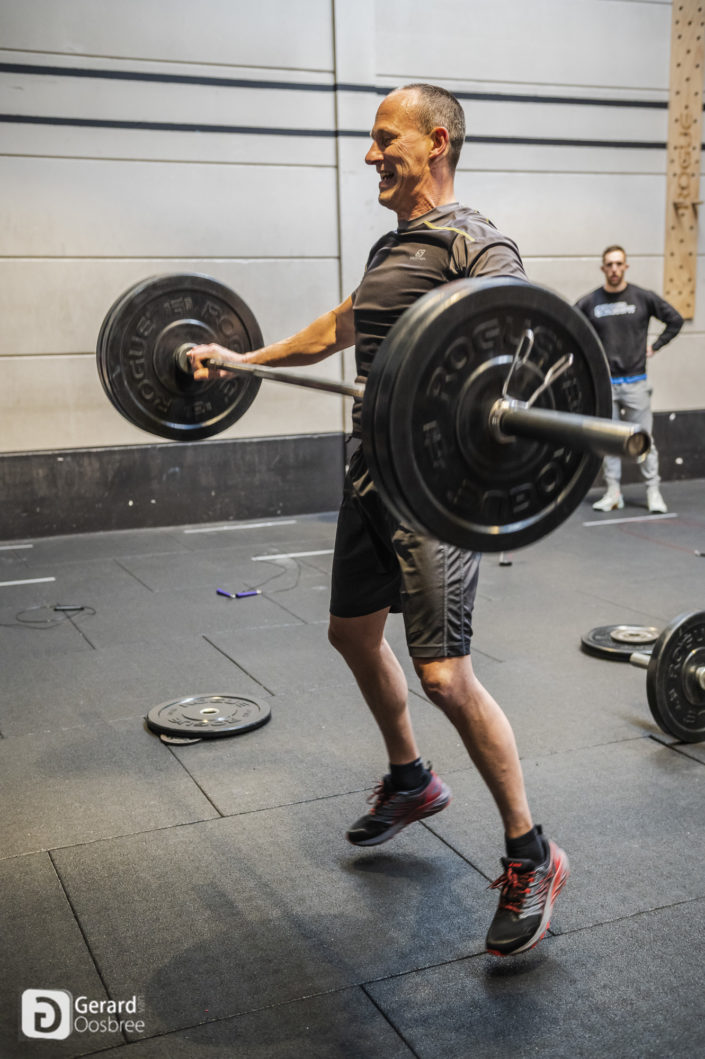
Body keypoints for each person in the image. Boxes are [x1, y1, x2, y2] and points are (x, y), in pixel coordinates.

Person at [189, 83, 569, 957]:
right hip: (369, 472)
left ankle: (531, 852)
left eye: (382, 138)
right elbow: (341, 325)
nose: (369, 155)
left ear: (435, 141)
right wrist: (244, 360)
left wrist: (461, 403)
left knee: (445, 677)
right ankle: (411, 779)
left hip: (434, 491)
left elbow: (519, 343)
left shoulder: (476, 243)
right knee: (352, 633)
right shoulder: (391, 247)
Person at [575, 246, 683, 513]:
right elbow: (571, 327)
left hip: (636, 382)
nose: (614, 269)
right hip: (605, 386)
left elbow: (675, 320)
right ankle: (613, 493)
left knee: (645, 440)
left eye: (618, 264)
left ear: (625, 266)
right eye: (609, 264)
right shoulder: (590, 302)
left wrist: (655, 346)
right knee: (608, 442)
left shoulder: (642, 297)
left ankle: (653, 491)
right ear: (603, 268)